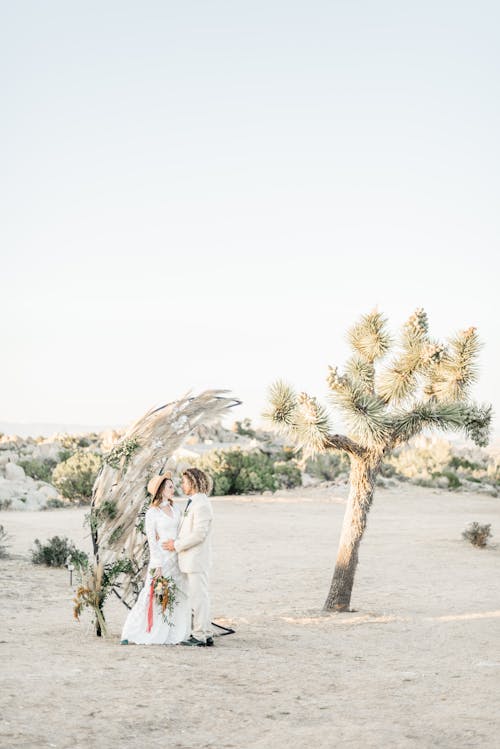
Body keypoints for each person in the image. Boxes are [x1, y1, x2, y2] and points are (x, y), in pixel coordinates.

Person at [120, 472, 191, 645]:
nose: (174, 489)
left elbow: (181, 532)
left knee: (177, 594)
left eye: (173, 486)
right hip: (161, 559)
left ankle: (174, 633)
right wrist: (157, 564)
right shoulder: (152, 513)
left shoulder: (176, 509)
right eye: (170, 486)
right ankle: (134, 631)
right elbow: (152, 541)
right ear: (160, 490)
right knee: (153, 595)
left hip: (176, 558)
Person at [163, 467, 214, 647]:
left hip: (196, 559)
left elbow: (199, 534)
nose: (181, 485)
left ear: (193, 482)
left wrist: (175, 545)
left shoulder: (201, 504)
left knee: (199, 597)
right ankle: (205, 632)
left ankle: (200, 635)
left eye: (184, 482)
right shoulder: (193, 502)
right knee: (197, 597)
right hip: (190, 559)